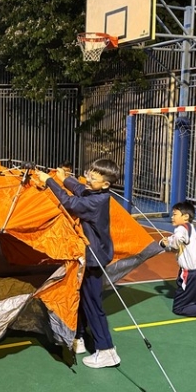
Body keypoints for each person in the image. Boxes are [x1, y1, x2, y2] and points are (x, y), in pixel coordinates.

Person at [37, 158, 121, 368]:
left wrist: (49, 181)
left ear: (106, 184)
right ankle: (79, 337)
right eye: (89, 174)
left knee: (93, 303)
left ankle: (106, 350)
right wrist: (65, 179)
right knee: (81, 298)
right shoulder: (94, 193)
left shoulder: (98, 201)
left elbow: (71, 203)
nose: (89, 179)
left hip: (94, 260)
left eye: (94, 177)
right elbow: (80, 189)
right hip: (88, 257)